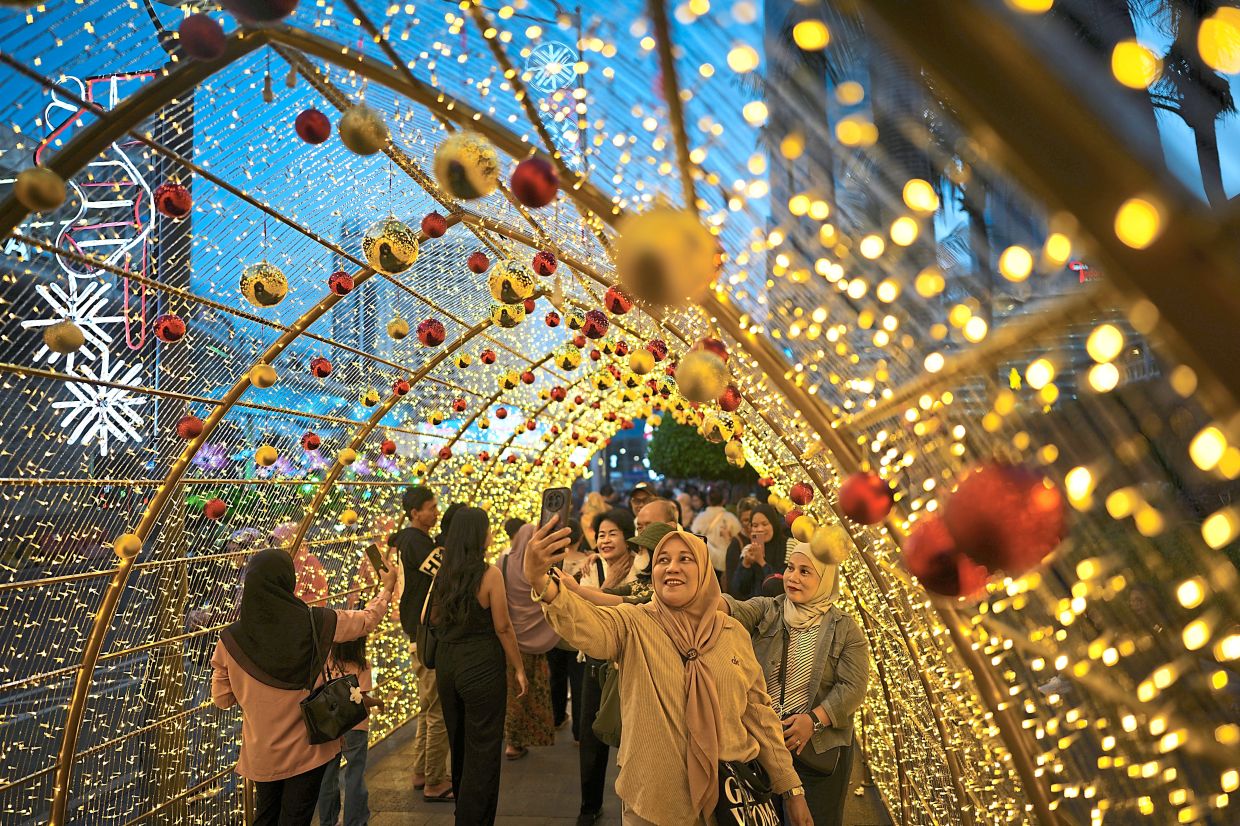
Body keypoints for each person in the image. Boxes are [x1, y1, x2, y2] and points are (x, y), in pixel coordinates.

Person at [524, 520, 813, 826]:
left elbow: (758, 714)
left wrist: (792, 789)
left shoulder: (731, 632)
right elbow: (586, 624)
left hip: (729, 801)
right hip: (654, 804)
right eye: (663, 559)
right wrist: (541, 581)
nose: (672, 567)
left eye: (685, 559)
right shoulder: (635, 624)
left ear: (703, 571)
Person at [211, 548, 396, 826]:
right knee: (296, 817)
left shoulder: (230, 640)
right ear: (289, 580)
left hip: (262, 752)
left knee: (266, 816)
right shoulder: (318, 621)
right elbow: (366, 620)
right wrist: (387, 589)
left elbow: (222, 699)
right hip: (309, 748)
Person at [722, 542, 871, 826]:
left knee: (814, 819)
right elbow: (733, 608)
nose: (793, 577)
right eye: (790, 568)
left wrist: (813, 720)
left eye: (805, 572)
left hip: (818, 751)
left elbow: (853, 687)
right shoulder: (771, 610)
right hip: (767, 743)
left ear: (825, 579)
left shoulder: (845, 628)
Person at [431, 507, 529, 826]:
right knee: (484, 746)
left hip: (447, 664)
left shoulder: (442, 573)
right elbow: (503, 627)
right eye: (487, 529)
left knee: (458, 740)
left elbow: (432, 618)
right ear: (477, 535)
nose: (491, 535)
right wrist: (518, 667)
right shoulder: (489, 574)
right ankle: (475, 819)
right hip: (481, 665)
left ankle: (463, 808)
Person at [390, 486, 452, 802]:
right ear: (415, 513)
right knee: (437, 711)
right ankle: (435, 780)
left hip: (418, 633)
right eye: (431, 507)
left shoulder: (412, 539)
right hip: (425, 634)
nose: (435, 512)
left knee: (429, 707)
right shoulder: (415, 541)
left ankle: (420, 772)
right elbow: (444, 569)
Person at [499, 523, 559, 760]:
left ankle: (512, 741)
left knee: (514, 692)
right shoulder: (542, 568)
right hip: (539, 639)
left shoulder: (502, 564)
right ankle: (521, 740)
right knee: (535, 690)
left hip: (510, 641)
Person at [317, 636, 383, 826]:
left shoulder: (328, 662)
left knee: (328, 777)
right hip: (356, 727)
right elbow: (361, 699)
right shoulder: (362, 665)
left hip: (331, 727)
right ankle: (355, 821)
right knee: (355, 774)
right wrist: (378, 702)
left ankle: (327, 821)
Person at [547, 519, 588, 739]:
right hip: (578, 631)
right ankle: (580, 732)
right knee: (580, 684)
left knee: (556, 678)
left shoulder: (551, 564)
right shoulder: (589, 562)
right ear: (581, 538)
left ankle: (556, 717)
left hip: (553, 632)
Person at [730, 503, 787, 599]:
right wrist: (746, 564)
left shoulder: (788, 545)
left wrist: (762, 562)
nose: (760, 529)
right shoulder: (748, 549)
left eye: (765, 524)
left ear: (773, 524)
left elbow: (781, 586)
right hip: (753, 609)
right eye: (755, 525)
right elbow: (737, 589)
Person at [690, 486, 743, 581]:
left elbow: (694, 536)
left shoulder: (700, 517)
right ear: (723, 500)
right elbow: (738, 538)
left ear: (708, 500)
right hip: (725, 561)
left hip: (706, 559)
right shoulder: (731, 518)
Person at [723, 497, 760, 594]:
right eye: (746, 520)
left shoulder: (764, 538)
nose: (750, 524)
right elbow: (731, 581)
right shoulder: (735, 544)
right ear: (739, 520)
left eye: (753, 518)